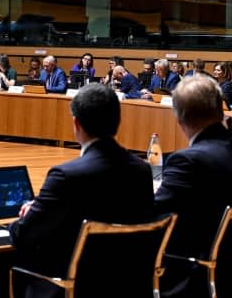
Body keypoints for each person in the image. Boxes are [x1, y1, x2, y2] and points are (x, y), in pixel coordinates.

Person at [10, 84, 154, 298]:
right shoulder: (141, 171)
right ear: (118, 121)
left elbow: (24, 234)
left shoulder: (66, 175)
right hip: (126, 286)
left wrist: (29, 215)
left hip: (75, 286)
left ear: (76, 123)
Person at [155, 75, 232, 297]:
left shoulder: (188, 161)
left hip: (201, 278)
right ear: (220, 112)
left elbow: (156, 219)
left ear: (179, 120)